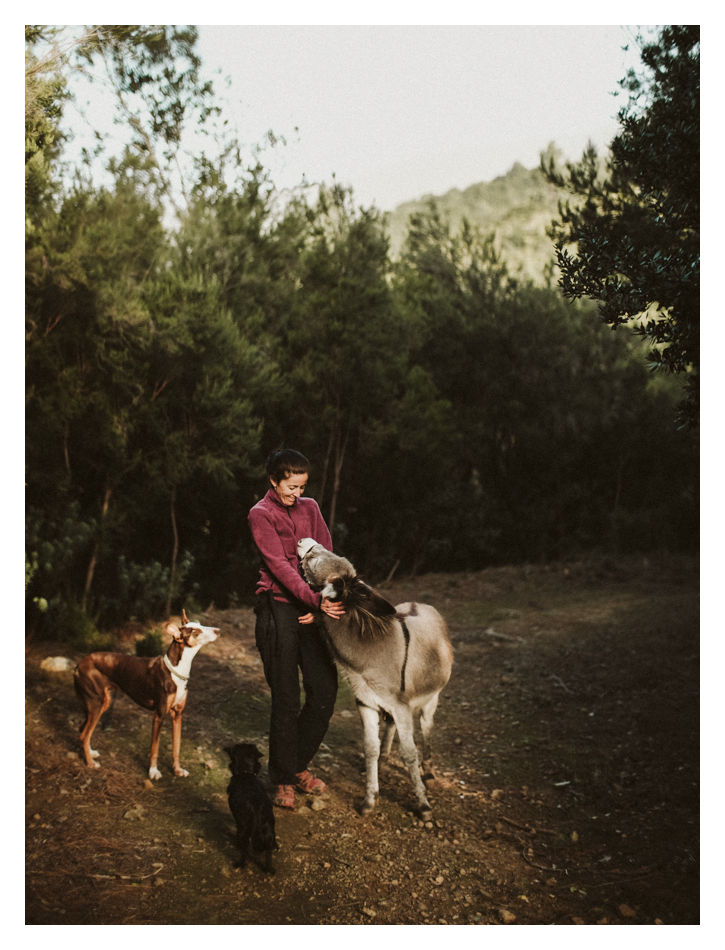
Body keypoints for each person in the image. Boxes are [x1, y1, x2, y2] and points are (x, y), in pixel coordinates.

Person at [248, 448, 344, 809]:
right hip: (278, 608)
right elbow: (280, 568)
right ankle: (284, 778)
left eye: (302, 486)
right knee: (286, 697)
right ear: (274, 480)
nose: (298, 494)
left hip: (311, 606)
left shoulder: (311, 509)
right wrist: (311, 601)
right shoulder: (260, 515)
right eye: (291, 487)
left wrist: (321, 605)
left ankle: (296, 765)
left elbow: (326, 556)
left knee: (324, 690)